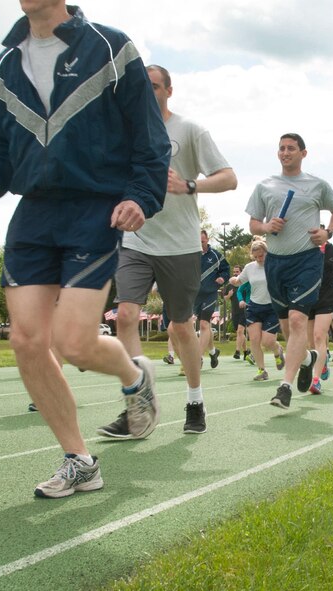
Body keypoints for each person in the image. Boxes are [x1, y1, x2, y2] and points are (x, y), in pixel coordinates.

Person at [0, 2, 169, 497]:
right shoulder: (7, 63)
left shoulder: (111, 47)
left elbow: (149, 139)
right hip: (34, 214)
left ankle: (134, 378)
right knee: (27, 341)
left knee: (73, 343)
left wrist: (141, 195)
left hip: (95, 209)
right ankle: (80, 459)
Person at [98, 64, 237, 438]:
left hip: (179, 245)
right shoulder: (123, 133)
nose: (147, 92)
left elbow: (229, 178)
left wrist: (189, 185)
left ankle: (195, 400)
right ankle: (138, 401)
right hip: (136, 240)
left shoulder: (189, 130)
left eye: (154, 87)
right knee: (125, 316)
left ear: (169, 91)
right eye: (141, 87)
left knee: (180, 324)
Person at [246, 133, 333, 410]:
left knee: (299, 320)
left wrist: (327, 232)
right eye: (281, 148)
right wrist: (267, 227)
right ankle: (305, 360)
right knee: (290, 332)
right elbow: (253, 223)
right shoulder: (265, 186)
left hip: (307, 260)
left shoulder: (316, 185)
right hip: (276, 263)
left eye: (291, 148)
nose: (285, 152)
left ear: (303, 153)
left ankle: (285, 387)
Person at [229, 239, 284, 381]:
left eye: (262, 255)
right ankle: (262, 370)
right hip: (254, 306)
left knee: (267, 341)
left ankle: (278, 351)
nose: (260, 259)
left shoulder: (275, 265)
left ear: (267, 252)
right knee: (254, 339)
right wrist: (233, 280)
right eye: (257, 256)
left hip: (271, 307)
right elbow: (239, 281)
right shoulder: (249, 267)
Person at [306, 226, 333, 394]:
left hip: (326, 298)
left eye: (320, 232)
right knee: (310, 343)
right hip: (307, 297)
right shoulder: (304, 249)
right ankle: (322, 364)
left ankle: (315, 381)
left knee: (319, 336)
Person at [195, 229, 230, 368]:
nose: (200, 244)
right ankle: (213, 352)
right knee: (206, 326)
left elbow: (226, 269)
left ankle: (198, 358)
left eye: (202, 241)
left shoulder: (216, 255)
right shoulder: (192, 255)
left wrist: (223, 277)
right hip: (195, 295)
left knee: (204, 324)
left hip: (210, 293)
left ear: (207, 240)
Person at [225, 264, 248, 359]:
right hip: (234, 312)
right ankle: (246, 351)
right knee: (240, 333)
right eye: (234, 272)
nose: (235, 273)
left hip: (244, 310)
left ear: (241, 273)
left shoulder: (245, 283)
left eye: (237, 272)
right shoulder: (230, 285)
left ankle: (237, 351)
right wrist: (229, 295)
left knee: (240, 331)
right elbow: (225, 298)